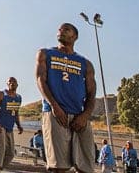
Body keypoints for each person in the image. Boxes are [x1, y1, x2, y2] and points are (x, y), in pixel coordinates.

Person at [35, 22, 97, 173]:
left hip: (79, 116)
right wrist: (55, 106)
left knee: (86, 166)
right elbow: (40, 80)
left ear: (75, 36)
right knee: (59, 167)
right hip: (55, 113)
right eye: (60, 29)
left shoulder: (85, 63)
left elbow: (92, 93)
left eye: (66, 29)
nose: (61, 31)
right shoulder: (45, 53)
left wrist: (85, 115)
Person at [0, 77, 23, 172]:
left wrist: (19, 125)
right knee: (0, 150)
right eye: (10, 81)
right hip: (0, 126)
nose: (12, 83)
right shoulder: (1, 94)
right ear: (7, 84)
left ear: (17, 85)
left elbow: (15, 113)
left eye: (14, 81)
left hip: (9, 128)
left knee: (11, 153)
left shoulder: (18, 98)